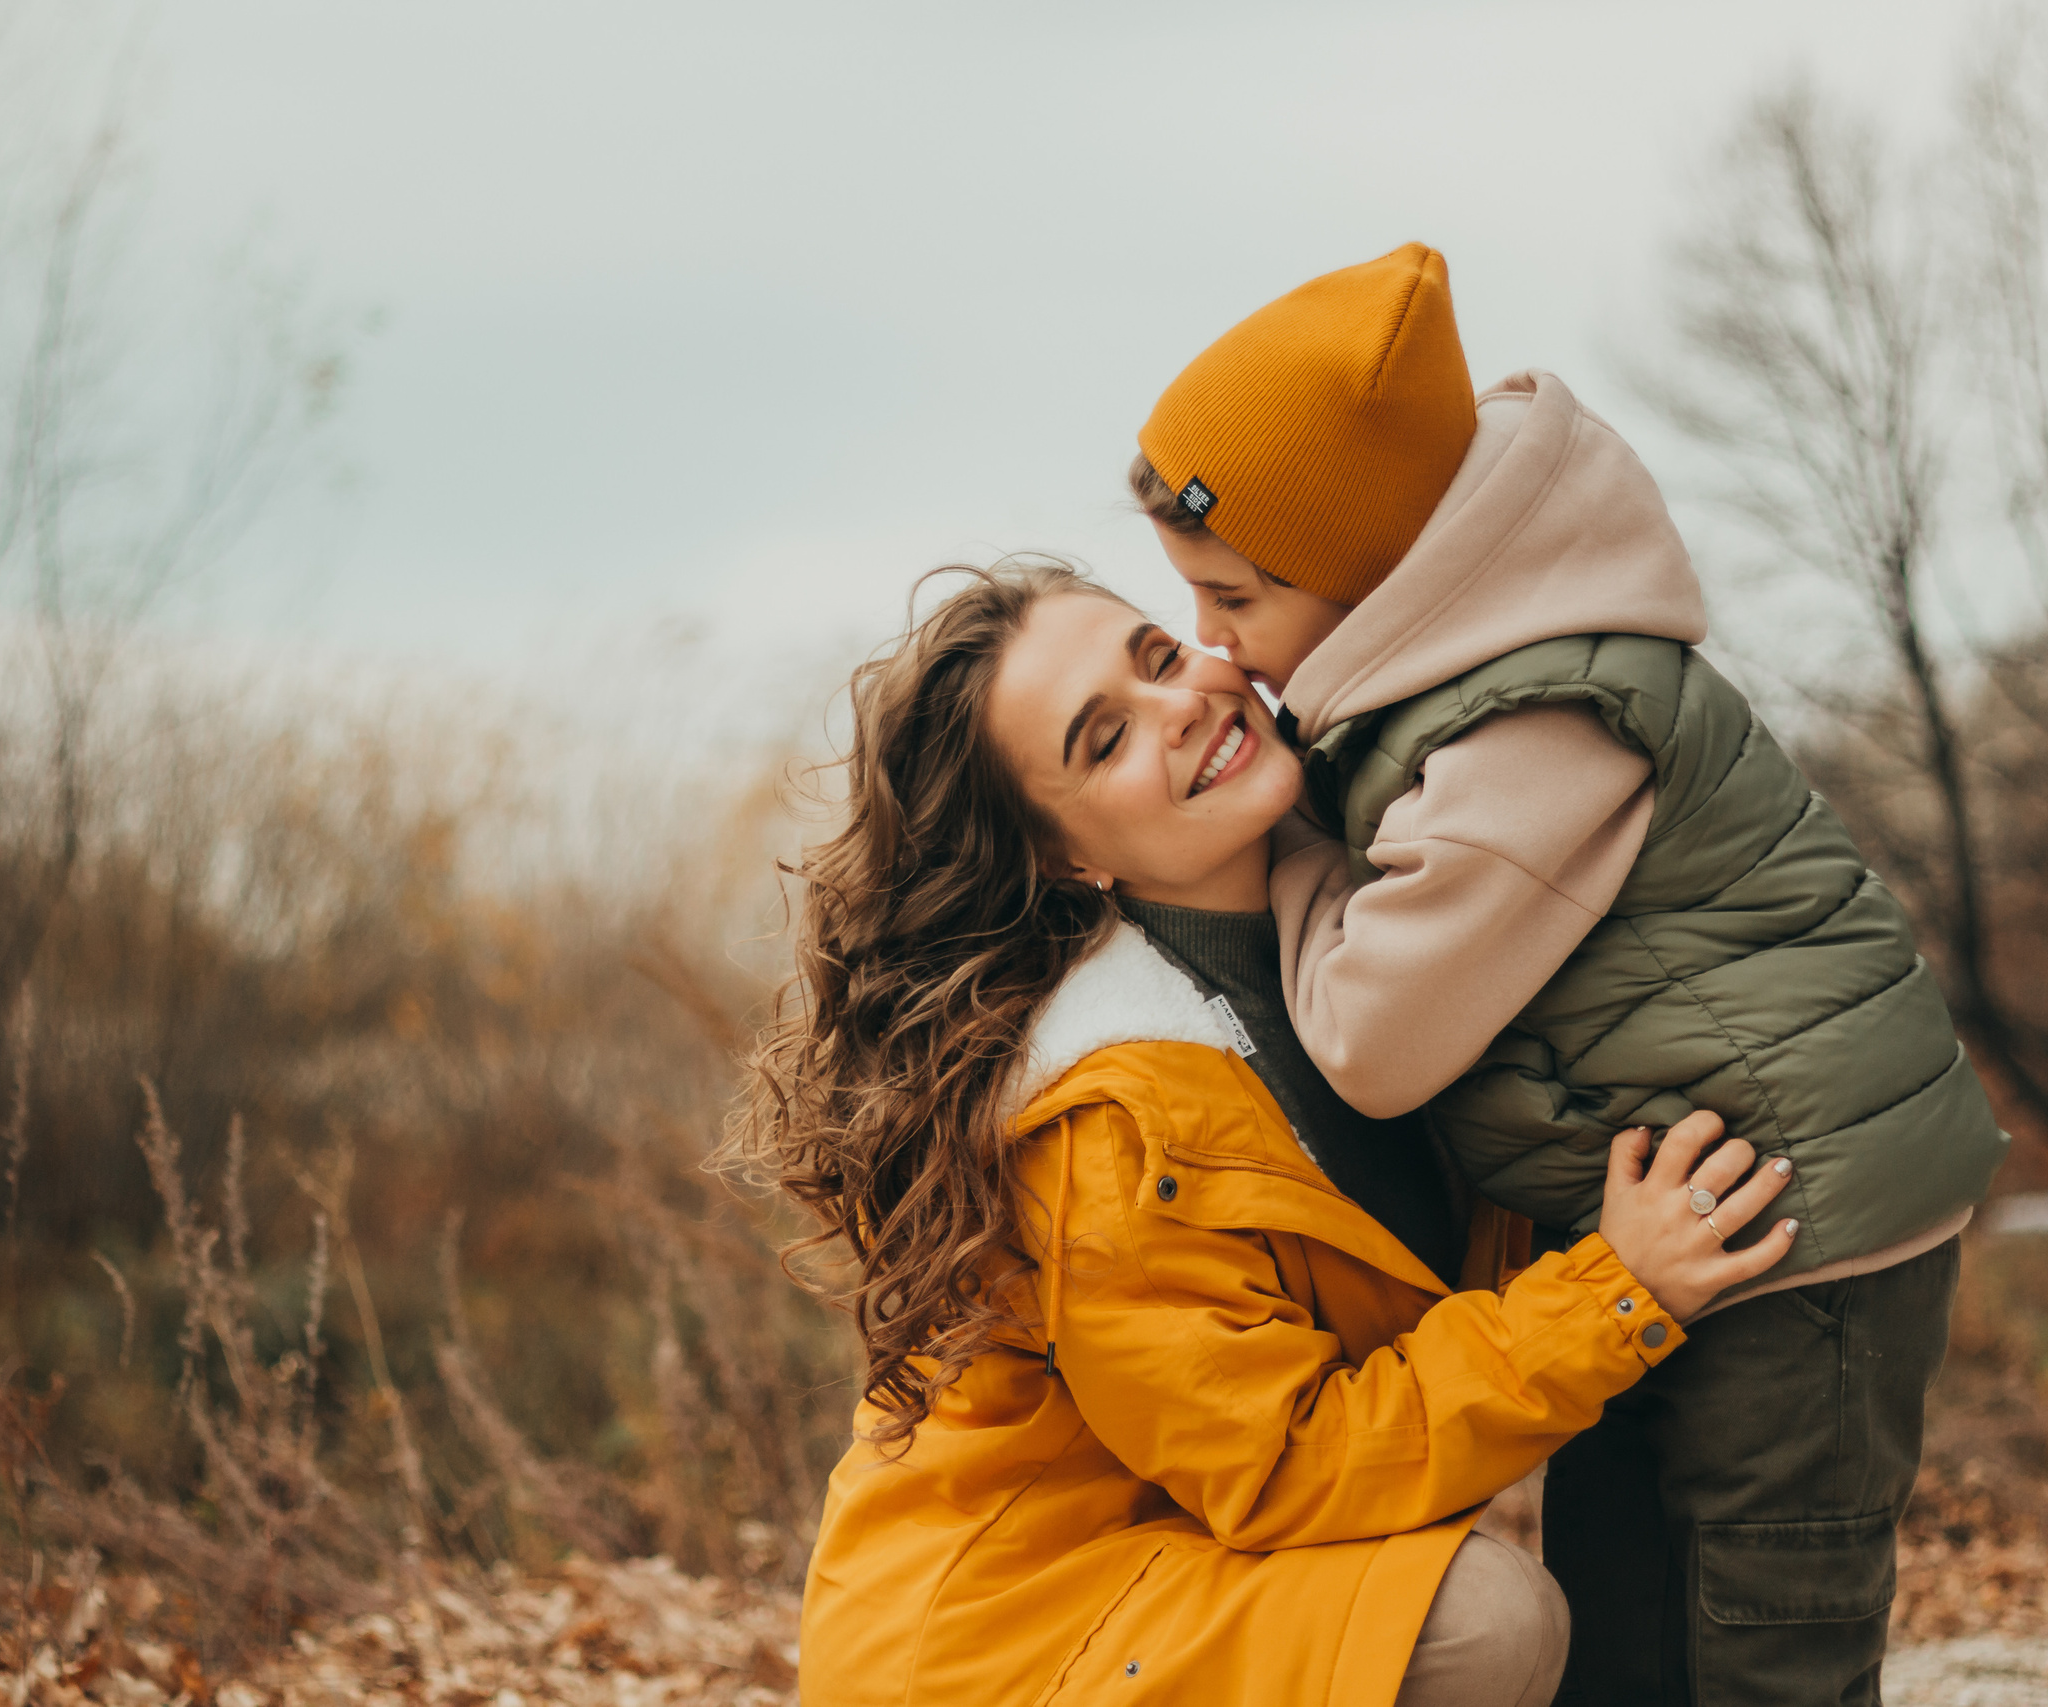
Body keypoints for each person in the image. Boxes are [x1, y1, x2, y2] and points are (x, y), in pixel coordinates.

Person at [1129, 243, 2010, 1703]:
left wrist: (1273, 831)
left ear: (1360, 570)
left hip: (1803, 1238)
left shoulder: (1534, 721)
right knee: (1621, 1622)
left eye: (1231, 598)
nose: (1219, 648)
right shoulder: (1468, 690)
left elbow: (1367, 1035)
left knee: (1760, 1637)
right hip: (1679, 1217)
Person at [734, 562, 1797, 1707]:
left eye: (1155, 656)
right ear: (1063, 858)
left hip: (1176, 1567)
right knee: (1475, 1624)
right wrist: (1614, 1297)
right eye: (1105, 741)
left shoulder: (1388, 936)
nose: (1181, 701)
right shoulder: (1109, 1121)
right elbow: (1286, 1460)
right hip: (1011, 1639)